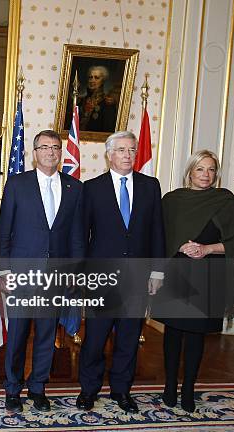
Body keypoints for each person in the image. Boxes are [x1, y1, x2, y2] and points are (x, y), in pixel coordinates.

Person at [77, 131, 165, 413]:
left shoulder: (151, 186)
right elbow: (81, 235)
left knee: (128, 338)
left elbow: (157, 232)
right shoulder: (91, 188)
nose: (128, 155)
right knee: (94, 339)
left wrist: (157, 272)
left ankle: (121, 391)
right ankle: (88, 389)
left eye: (132, 150)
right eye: (122, 150)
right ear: (109, 154)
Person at [0, 130, 85, 413]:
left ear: (61, 152)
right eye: (44, 147)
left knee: (47, 335)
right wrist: (3, 271)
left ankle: (38, 388)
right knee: (19, 334)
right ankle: (13, 389)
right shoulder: (17, 184)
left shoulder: (75, 188)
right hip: (21, 274)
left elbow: (76, 236)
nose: (50, 152)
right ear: (34, 153)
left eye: (55, 147)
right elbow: (4, 232)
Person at [157, 150, 234, 412]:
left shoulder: (228, 202)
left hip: (207, 275)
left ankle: (188, 390)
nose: (206, 175)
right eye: (200, 169)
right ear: (190, 172)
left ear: (216, 174)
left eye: (211, 169)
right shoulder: (172, 200)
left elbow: (233, 242)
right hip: (176, 272)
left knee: (195, 335)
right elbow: (161, 238)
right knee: (172, 332)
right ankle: (169, 387)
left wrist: (206, 249)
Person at [68, 65, 118, 133]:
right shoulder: (81, 101)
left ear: (103, 81)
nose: (92, 80)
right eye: (90, 77)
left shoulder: (107, 103)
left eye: (96, 78)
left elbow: (108, 130)